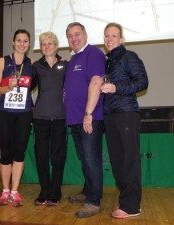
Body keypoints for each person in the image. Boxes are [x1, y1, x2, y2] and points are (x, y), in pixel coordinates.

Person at [98, 22, 149, 218]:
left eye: (114, 36)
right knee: (118, 160)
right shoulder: (107, 61)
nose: (109, 39)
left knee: (129, 160)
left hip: (127, 114)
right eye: (106, 36)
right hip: (110, 116)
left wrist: (116, 87)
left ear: (121, 39)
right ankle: (126, 198)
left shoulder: (129, 56)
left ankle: (131, 206)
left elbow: (143, 82)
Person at [63, 22, 106, 218]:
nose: (74, 38)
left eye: (77, 34)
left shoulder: (93, 54)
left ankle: (94, 201)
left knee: (91, 158)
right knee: (84, 158)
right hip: (75, 119)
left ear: (85, 34)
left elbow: (96, 82)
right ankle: (88, 190)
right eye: (70, 36)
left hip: (89, 118)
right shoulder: (73, 59)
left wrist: (88, 114)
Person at [0, 29, 34, 207]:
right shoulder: (2, 61)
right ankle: (5, 191)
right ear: (13, 42)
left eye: (25, 41)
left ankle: (15, 192)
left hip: (24, 114)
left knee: (20, 152)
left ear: (29, 44)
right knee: (6, 152)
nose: (22, 44)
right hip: (6, 113)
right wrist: (7, 88)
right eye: (19, 40)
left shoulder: (31, 64)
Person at [32, 31, 68, 206]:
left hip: (60, 117)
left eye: (50, 43)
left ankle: (55, 191)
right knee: (41, 155)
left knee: (58, 156)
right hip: (40, 118)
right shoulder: (35, 66)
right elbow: (26, 86)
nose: (47, 46)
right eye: (43, 44)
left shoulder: (65, 65)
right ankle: (44, 190)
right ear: (41, 47)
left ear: (56, 45)